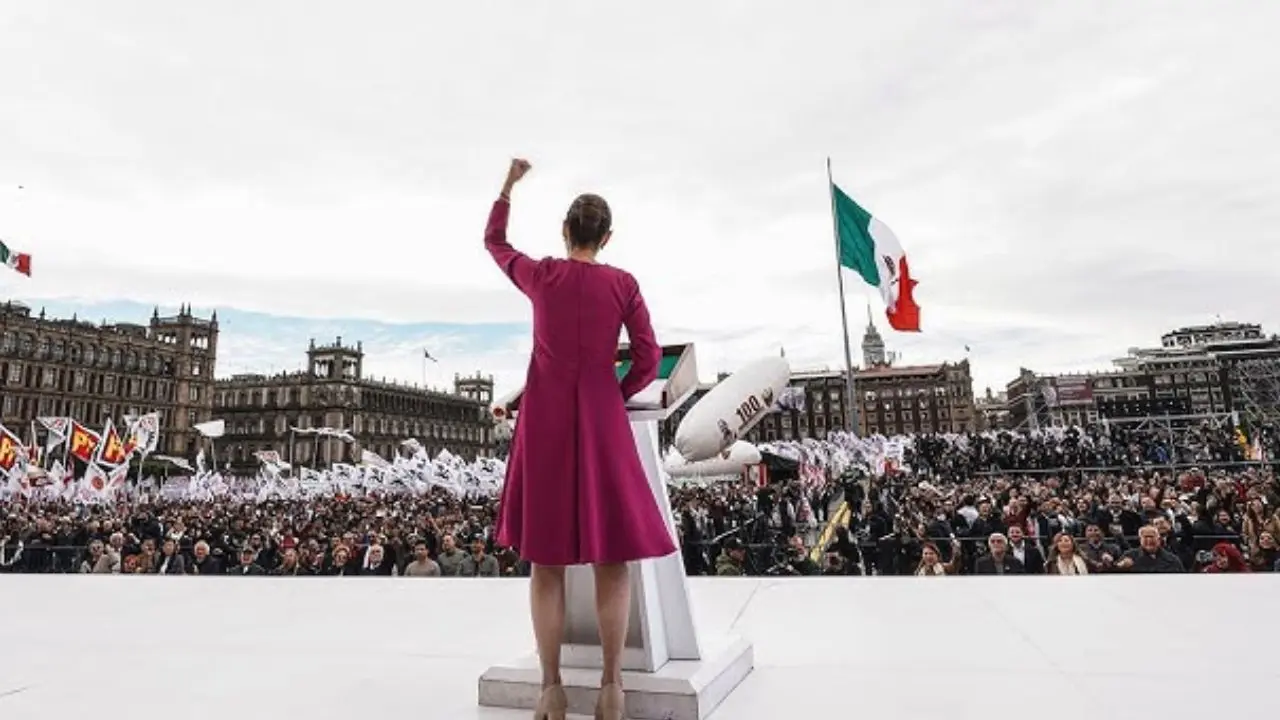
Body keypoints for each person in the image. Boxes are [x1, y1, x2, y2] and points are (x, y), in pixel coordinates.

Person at [485, 158, 677, 720]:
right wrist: (613, 392)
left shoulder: (541, 275)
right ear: (607, 237)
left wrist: (508, 185)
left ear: (565, 233)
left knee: (545, 561)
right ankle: (613, 689)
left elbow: (494, 241)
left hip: (543, 420)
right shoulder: (622, 284)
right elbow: (646, 356)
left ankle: (551, 689)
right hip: (601, 416)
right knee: (611, 555)